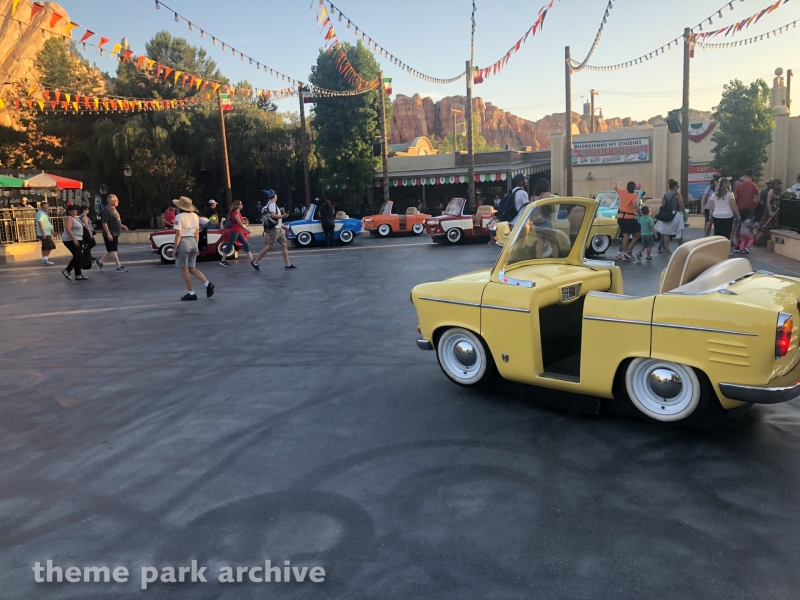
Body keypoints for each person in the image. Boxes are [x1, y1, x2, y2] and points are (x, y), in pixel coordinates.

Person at [171, 196, 215, 301]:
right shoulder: (195, 216)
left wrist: (175, 248)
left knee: (184, 269)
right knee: (191, 267)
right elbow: (197, 233)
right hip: (193, 242)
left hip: (184, 242)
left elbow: (178, 234)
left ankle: (191, 293)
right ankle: (207, 283)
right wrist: (197, 245)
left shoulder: (179, 217)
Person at [251, 190, 296, 270]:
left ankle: (287, 264)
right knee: (270, 246)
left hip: (277, 228)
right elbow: (273, 216)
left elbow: (272, 219)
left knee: (284, 243)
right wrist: (283, 216)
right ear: (274, 196)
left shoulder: (270, 204)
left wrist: (281, 225)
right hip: (275, 229)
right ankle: (255, 261)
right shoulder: (272, 205)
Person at [96, 195, 129, 273]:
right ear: (111, 201)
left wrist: (122, 225)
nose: (118, 201)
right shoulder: (106, 210)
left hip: (115, 232)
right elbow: (104, 223)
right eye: (116, 200)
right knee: (114, 250)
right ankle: (119, 266)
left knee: (110, 250)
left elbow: (115, 220)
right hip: (111, 233)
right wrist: (108, 234)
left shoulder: (113, 209)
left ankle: (100, 262)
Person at [219, 199, 255, 267]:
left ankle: (252, 260)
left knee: (246, 244)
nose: (242, 205)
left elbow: (239, 222)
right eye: (240, 204)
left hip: (238, 231)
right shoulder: (236, 212)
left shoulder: (237, 212)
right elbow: (239, 222)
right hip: (234, 231)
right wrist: (246, 229)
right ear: (237, 205)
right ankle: (223, 260)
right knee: (230, 245)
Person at [654, 179, 685, 255]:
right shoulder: (677, 195)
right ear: (675, 187)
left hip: (667, 215)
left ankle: (666, 249)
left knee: (666, 233)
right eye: (677, 186)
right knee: (679, 231)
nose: (678, 188)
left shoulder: (665, 195)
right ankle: (681, 248)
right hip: (676, 214)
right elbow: (681, 205)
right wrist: (684, 213)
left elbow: (663, 205)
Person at [709, 178, 740, 247]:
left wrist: (710, 216)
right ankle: (726, 249)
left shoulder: (714, 194)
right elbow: (733, 205)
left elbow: (711, 206)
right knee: (727, 233)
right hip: (728, 215)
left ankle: (719, 248)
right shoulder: (730, 194)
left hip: (717, 215)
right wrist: (738, 214)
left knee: (718, 233)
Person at [733, 169, 760, 247]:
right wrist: (754, 206)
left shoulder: (739, 185)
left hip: (740, 208)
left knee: (738, 226)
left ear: (744, 176)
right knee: (749, 226)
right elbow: (758, 199)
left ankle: (738, 243)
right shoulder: (755, 186)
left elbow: (735, 197)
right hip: (750, 208)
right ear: (752, 176)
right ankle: (747, 244)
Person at [615, 181, 641, 261]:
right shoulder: (634, 195)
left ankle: (621, 253)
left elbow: (616, 188)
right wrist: (640, 214)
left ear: (626, 187)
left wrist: (618, 183)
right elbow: (635, 206)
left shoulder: (622, 192)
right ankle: (627, 252)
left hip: (621, 217)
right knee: (637, 234)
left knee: (625, 236)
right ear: (634, 188)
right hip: (629, 218)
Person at [61, 204, 88, 281]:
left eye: (76, 210)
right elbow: (68, 229)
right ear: (69, 211)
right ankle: (67, 270)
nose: (75, 211)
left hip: (78, 238)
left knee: (77, 256)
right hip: (70, 240)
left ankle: (78, 274)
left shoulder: (76, 218)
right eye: (73, 210)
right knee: (78, 255)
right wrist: (74, 239)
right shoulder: (69, 218)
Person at [35, 200, 55, 266]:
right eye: (46, 206)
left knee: (45, 246)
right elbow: (40, 223)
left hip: (47, 232)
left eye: (48, 206)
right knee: (50, 246)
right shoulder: (40, 213)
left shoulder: (45, 214)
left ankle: (45, 259)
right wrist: (43, 232)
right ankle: (45, 259)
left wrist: (52, 231)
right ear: (42, 206)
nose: (47, 208)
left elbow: (48, 223)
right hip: (44, 233)